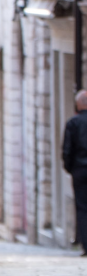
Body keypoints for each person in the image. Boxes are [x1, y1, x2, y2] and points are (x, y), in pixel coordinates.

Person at [63, 90, 87, 256]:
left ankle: (86, 245)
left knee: (82, 208)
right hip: (79, 170)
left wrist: (71, 168)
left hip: (79, 171)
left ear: (78, 105)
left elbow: (67, 151)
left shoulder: (73, 123)